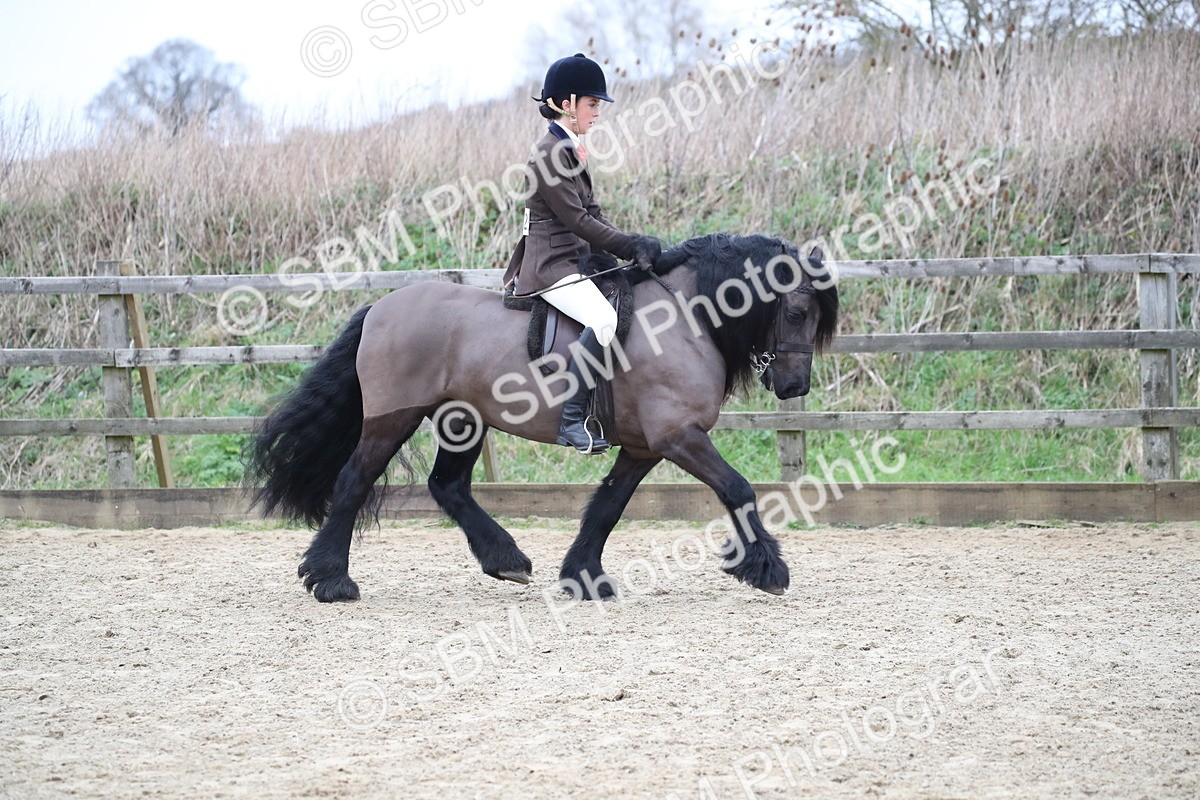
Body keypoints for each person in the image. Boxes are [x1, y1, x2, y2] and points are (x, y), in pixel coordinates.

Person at [503, 52, 661, 455]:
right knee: (604, 321)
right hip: (550, 266)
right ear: (566, 104)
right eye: (592, 104)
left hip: (573, 259)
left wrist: (629, 245)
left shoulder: (568, 148)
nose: (597, 112)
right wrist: (628, 245)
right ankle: (570, 422)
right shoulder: (550, 153)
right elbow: (576, 220)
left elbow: (593, 213)